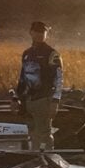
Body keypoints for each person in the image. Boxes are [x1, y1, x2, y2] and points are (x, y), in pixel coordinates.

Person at [15, 21, 63, 153]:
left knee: (45, 134)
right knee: (31, 132)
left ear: (47, 34)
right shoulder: (26, 53)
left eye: (43, 32)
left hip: (44, 99)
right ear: (31, 33)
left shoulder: (52, 53)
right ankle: (34, 158)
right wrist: (16, 97)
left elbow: (58, 78)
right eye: (37, 31)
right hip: (28, 99)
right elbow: (22, 77)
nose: (40, 34)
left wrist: (55, 100)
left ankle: (48, 158)